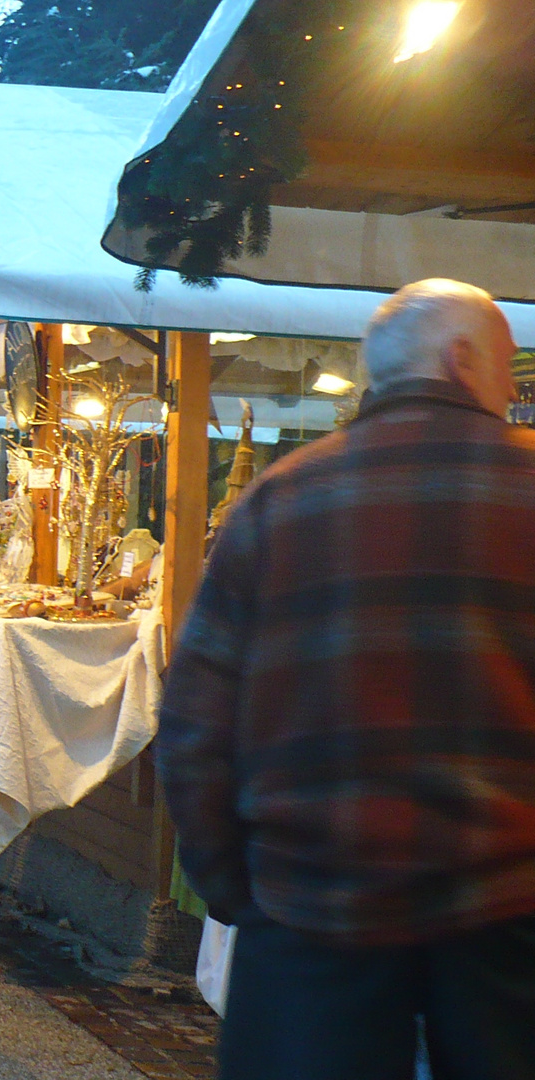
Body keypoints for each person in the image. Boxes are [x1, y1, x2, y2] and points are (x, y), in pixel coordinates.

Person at [156, 280, 535, 1080]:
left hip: (313, 906)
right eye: (509, 370)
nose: (513, 391)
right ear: (463, 359)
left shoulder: (277, 501)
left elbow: (194, 724)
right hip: (509, 910)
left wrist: (237, 887)